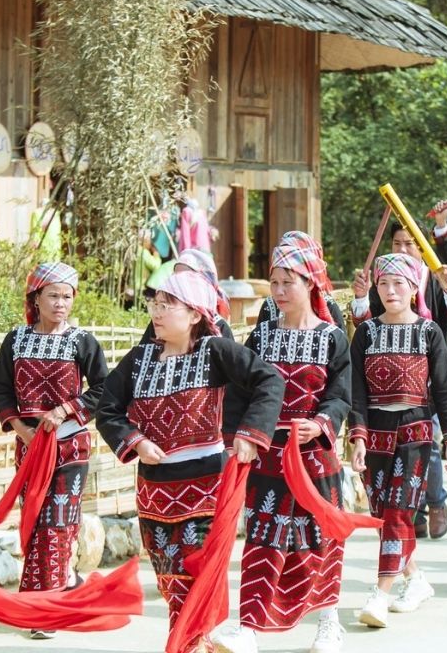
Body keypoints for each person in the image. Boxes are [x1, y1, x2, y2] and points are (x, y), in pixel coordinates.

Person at [96, 272, 285, 652]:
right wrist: (137, 442)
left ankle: (187, 644)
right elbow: (107, 409)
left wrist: (250, 435)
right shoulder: (139, 359)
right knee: (170, 579)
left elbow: (269, 381)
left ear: (195, 313)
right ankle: (202, 642)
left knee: (195, 573)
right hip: (154, 490)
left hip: (205, 487)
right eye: (155, 303)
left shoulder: (214, 351)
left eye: (168, 305)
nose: (158, 312)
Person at [214, 241, 351, 653]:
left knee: (321, 538)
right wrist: (240, 437)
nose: (277, 290)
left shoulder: (333, 338)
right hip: (267, 455)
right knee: (261, 535)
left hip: (314, 456)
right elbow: (242, 389)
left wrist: (321, 423)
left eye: (287, 282)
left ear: (311, 283)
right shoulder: (262, 336)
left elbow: (342, 394)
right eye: (273, 282)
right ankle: (250, 628)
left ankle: (328, 620)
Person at [0, 262, 111, 638]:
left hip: (70, 447)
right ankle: (44, 595)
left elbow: (103, 389)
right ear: (36, 298)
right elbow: (1, 388)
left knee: (59, 524)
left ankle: (48, 606)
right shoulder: (16, 340)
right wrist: (23, 431)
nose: (61, 303)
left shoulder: (83, 342)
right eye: (53, 295)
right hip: (29, 447)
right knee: (35, 523)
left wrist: (64, 410)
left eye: (67, 296)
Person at [350, 254, 447, 627]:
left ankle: (379, 594)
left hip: (415, 432)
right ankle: (416, 579)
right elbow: (358, 392)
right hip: (376, 433)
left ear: (415, 288)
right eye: (384, 284)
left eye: (399, 283)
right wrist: (358, 437)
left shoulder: (429, 332)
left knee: (398, 511)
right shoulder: (366, 332)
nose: (391, 290)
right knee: (383, 515)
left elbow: (444, 390)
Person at [351, 225, 447, 540]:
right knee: (387, 507)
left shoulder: (435, 277)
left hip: (428, 380)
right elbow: (365, 328)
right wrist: (362, 298)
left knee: (427, 447)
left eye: (410, 243)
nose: (402, 249)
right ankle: (408, 544)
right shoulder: (383, 288)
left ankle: (435, 502)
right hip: (382, 400)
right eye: (397, 243)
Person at [254, 231, 346, 327]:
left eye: (287, 282)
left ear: (309, 282)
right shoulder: (270, 306)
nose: (285, 257)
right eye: (274, 282)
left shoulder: (328, 306)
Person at [139, 249, 234, 342]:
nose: (178, 281)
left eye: (187, 276)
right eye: (175, 276)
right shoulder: (162, 321)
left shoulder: (219, 326)